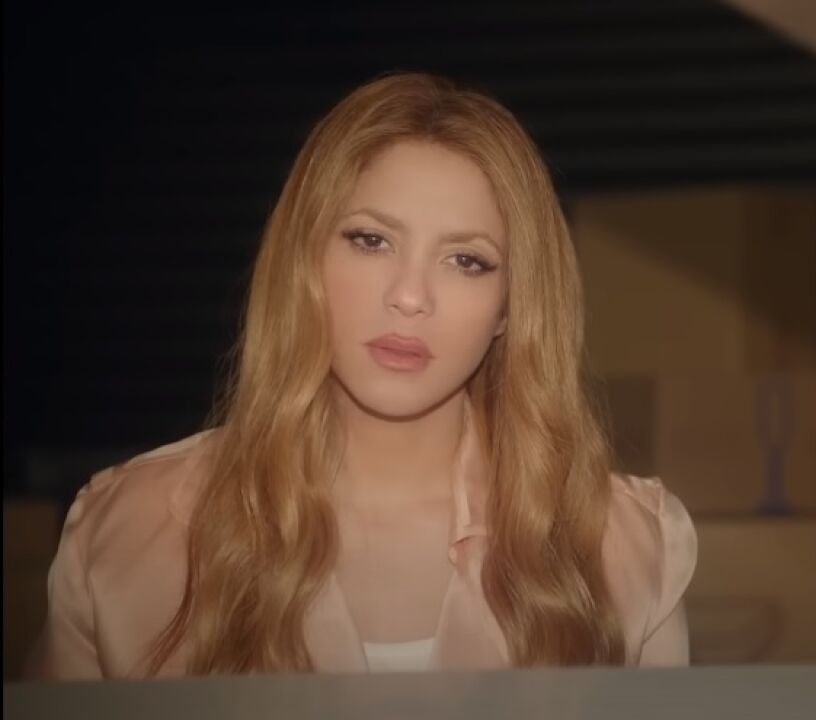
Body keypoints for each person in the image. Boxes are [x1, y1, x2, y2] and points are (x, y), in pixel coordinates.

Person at [27, 72, 697, 678]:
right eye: (371, 241)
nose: (409, 296)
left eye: (466, 260)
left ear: (509, 307)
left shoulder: (623, 543)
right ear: (304, 261)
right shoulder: (127, 529)